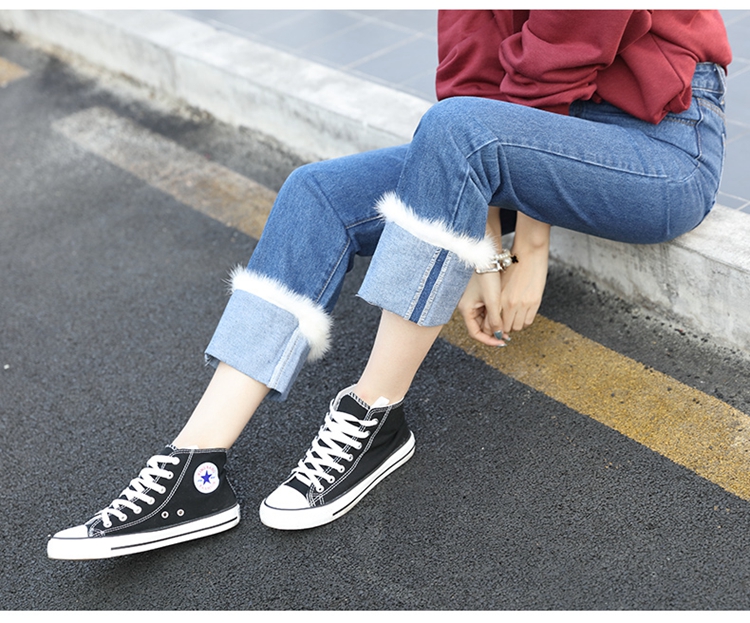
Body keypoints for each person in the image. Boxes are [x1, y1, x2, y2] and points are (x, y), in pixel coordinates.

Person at [47, 9, 732, 559]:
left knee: (455, 131)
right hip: (521, 138)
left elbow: (571, 38)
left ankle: (375, 413)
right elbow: (468, 71)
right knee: (316, 193)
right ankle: (196, 465)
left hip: (660, 142)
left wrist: (529, 244)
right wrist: (478, 249)